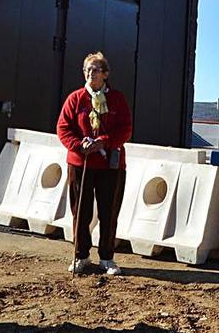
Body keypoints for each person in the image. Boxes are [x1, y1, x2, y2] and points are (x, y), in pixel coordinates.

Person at [56, 51, 133, 276]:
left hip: (110, 165)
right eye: (87, 69)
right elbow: (63, 128)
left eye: (96, 69)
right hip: (81, 164)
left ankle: (107, 258)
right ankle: (81, 255)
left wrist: (103, 142)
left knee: (109, 211)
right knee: (81, 211)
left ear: (106, 74)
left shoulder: (117, 99)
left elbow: (125, 128)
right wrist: (80, 145)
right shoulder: (76, 99)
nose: (91, 73)